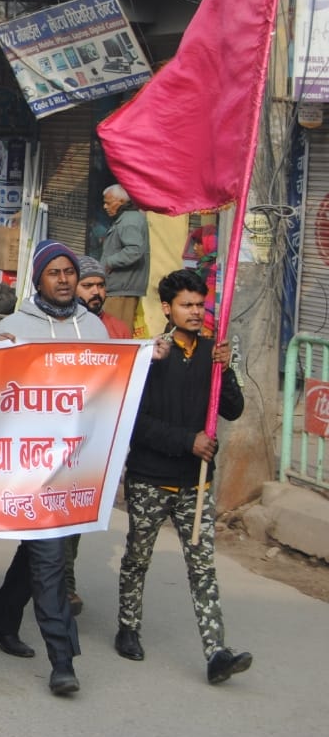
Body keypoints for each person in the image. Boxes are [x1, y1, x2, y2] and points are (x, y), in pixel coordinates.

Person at [0, 240, 107, 696]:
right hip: (30, 467)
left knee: (39, 552)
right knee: (51, 558)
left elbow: (111, 389)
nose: (62, 279)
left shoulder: (93, 327)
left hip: (78, 466)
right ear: (38, 278)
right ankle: (63, 659)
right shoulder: (15, 328)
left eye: (68, 272)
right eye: (53, 272)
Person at [116, 269, 250, 685]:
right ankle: (128, 627)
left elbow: (233, 410)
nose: (195, 312)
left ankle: (216, 651)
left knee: (203, 567)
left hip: (197, 482)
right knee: (138, 557)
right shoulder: (151, 356)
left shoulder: (214, 355)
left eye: (199, 305)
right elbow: (135, 423)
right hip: (150, 478)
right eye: (187, 305)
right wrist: (186, 440)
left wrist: (225, 371)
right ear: (167, 308)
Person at [99, 183, 150, 334]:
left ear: (120, 202)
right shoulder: (128, 218)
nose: (105, 206)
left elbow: (134, 250)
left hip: (122, 289)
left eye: (108, 203)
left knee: (115, 333)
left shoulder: (129, 221)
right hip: (120, 287)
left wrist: (109, 262)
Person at [76, 255, 132, 339]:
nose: (96, 292)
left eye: (100, 285)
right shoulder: (62, 326)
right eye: (87, 286)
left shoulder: (119, 329)